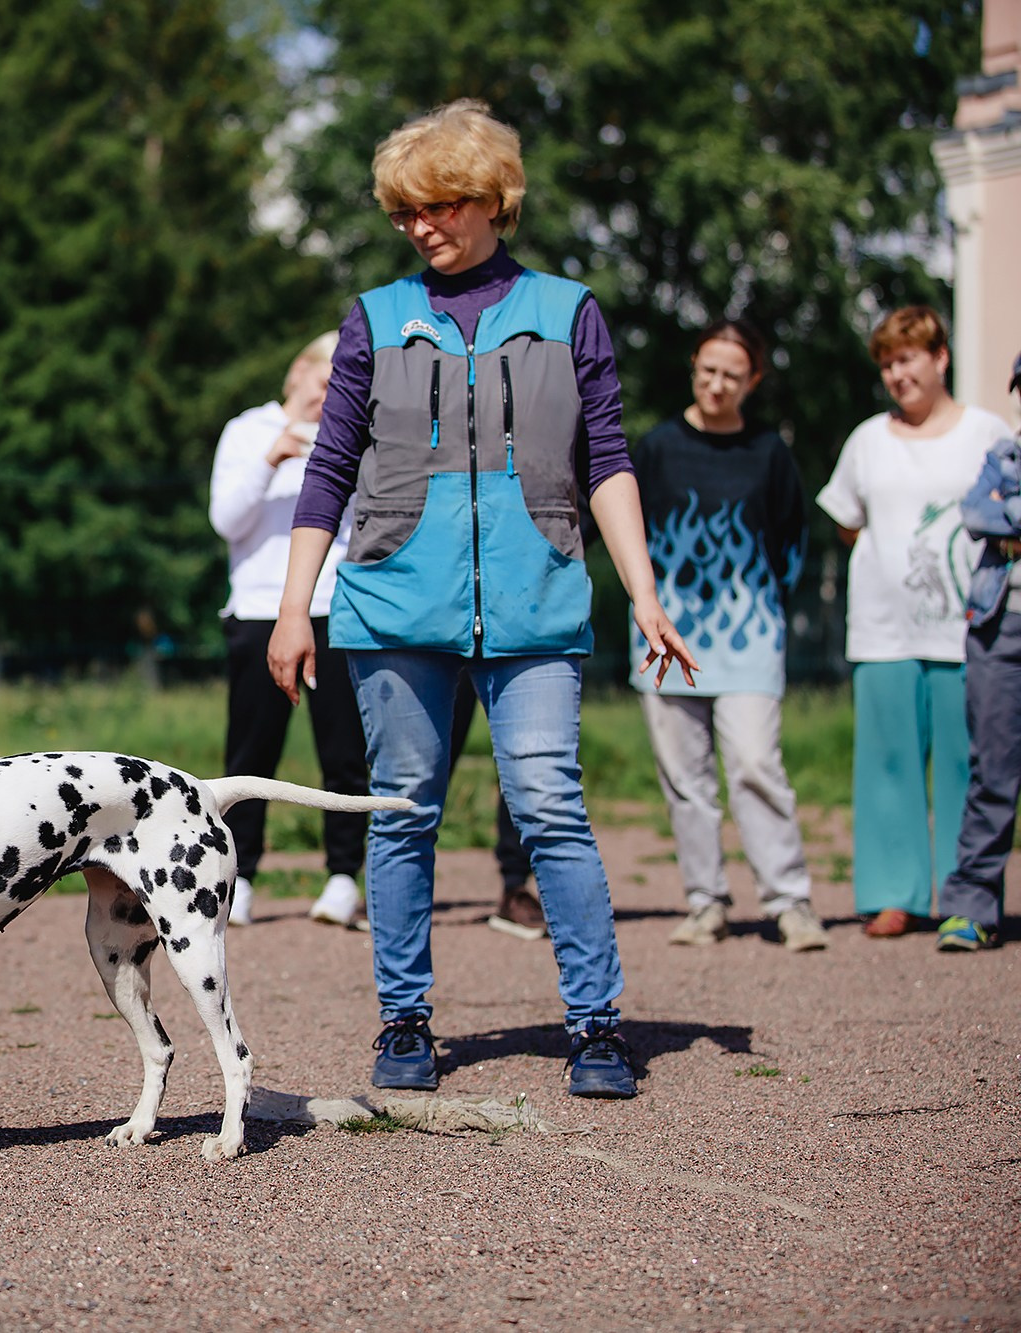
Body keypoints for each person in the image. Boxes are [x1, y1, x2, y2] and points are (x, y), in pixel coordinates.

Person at [268, 99, 695, 1101]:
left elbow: (605, 458)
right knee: (402, 811)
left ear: (492, 199)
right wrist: (294, 608)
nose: (420, 227)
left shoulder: (567, 310)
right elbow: (329, 468)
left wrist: (642, 591)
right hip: (391, 605)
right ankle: (403, 1018)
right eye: (403, 212)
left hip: (535, 601)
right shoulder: (375, 317)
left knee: (549, 806)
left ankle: (595, 1025)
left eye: (439, 206)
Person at [631, 320, 828, 952]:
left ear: (754, 381)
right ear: (694, 364)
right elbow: (625, 528)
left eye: (733, 376)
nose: (717, 385)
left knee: (755, 762)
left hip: (750, 638)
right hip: (665, 641)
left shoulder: (769, 452)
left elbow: (793, 537)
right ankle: (705, 902)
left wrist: (764, 606)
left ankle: (789, 901)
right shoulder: (656, 447)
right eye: (709, 370)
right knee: (684, 779)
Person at [816, 307, 1007, 937]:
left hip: (969, 628)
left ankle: (965, 893)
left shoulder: (986, 431)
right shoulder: (869, 439)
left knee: (965, 764)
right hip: (884, 629)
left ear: (940, 357)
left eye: (908, 359)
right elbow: (848, 521)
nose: (897, 374)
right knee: (888, 762)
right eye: (887, 364)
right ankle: (893, 894)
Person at [209, 333, 371, 929]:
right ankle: (239, 878)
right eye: (326, 378)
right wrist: (271, 457)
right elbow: (226, 521)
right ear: (299, 370)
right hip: (258, 612)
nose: (330, 392)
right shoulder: (246, 430)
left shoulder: (352, 432)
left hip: (336, 608)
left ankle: (343, 878)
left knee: (345, 752)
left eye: (342, 383)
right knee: (250, 757)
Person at [935, 352, 1021, 952]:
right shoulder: (1004, 454)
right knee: (992, 770)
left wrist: (1008, 515)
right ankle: (971, 907)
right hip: (1000, 628)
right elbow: (974, 513)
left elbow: (997, 514)